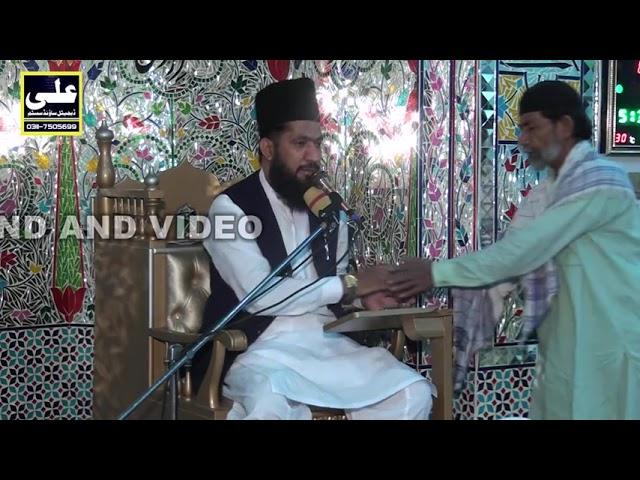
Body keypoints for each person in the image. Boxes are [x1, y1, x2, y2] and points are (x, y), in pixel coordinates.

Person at [388, 80, 640, 420]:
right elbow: (507, 259)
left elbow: (522, 252)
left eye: (532, 128)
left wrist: (436, 272)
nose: (523, 139)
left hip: (611, 348)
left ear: (564, 126)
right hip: (564, 354)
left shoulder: (601, 182)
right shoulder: (548, 192)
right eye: (521, 129)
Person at [196, 77, 433, 420]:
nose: (314, 156)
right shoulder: (227, 210)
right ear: (267, 148)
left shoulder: (329, 211)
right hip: (258, 350)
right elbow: (261, 296)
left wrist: (363, 299)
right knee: (271, 404)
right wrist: (351, 285)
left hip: (325, 343)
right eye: (300, 144)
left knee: (412, 394)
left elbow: (334, 287)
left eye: (318, 144)